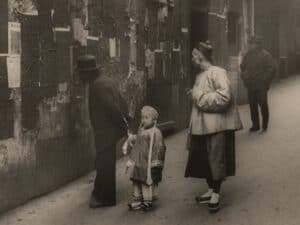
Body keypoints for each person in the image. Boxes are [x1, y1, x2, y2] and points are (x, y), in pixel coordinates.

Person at [185, 41, 243, 213]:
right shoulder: (200, 75)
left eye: (193, 56)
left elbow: (224, 98)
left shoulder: (218, 72)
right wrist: (195, 95)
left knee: (216, 160)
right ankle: (211, 190)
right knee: (204, 159)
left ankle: (216, 193)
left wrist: (198, 96)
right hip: (202, 126)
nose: (192, 59)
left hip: (216, 127)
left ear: (200, 56)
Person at [77, 55, 130, 208]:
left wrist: (123, 126)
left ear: (88, 73)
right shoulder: (105, 81)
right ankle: (101, 194)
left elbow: (112, 108)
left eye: (81, 74)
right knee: (104, 162)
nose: (80, 77)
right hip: (107, 130)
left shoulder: (97, 85)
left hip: (105, 131)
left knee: (104, 163)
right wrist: (124, 123)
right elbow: (120, 102)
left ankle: (105, 198)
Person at [123, 106, 166, 211]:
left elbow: (159, 147)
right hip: (138, 162)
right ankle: (137, 200)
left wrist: (156, 162)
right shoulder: (141, 130)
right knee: (136, 180)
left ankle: (147, 201)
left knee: (146, 181)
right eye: (142, 117)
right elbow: (137, 143)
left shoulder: (156, 132)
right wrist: (132, 138)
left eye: (146, 118)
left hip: (147, 163)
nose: (143, 120)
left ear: (153, 120)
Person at [240, 35, 277, 132]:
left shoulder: (265, 55)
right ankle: (255, 125)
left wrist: (265, 80)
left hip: (261, 85)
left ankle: (265, 124)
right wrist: (244, 77)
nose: (251, 46)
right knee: (252, 106)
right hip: (251, 85)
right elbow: (242, 66)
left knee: (263, 104)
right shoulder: (248, 55)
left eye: (252, 44)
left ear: (257, 44)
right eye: (250, 44)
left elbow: (272, 69)